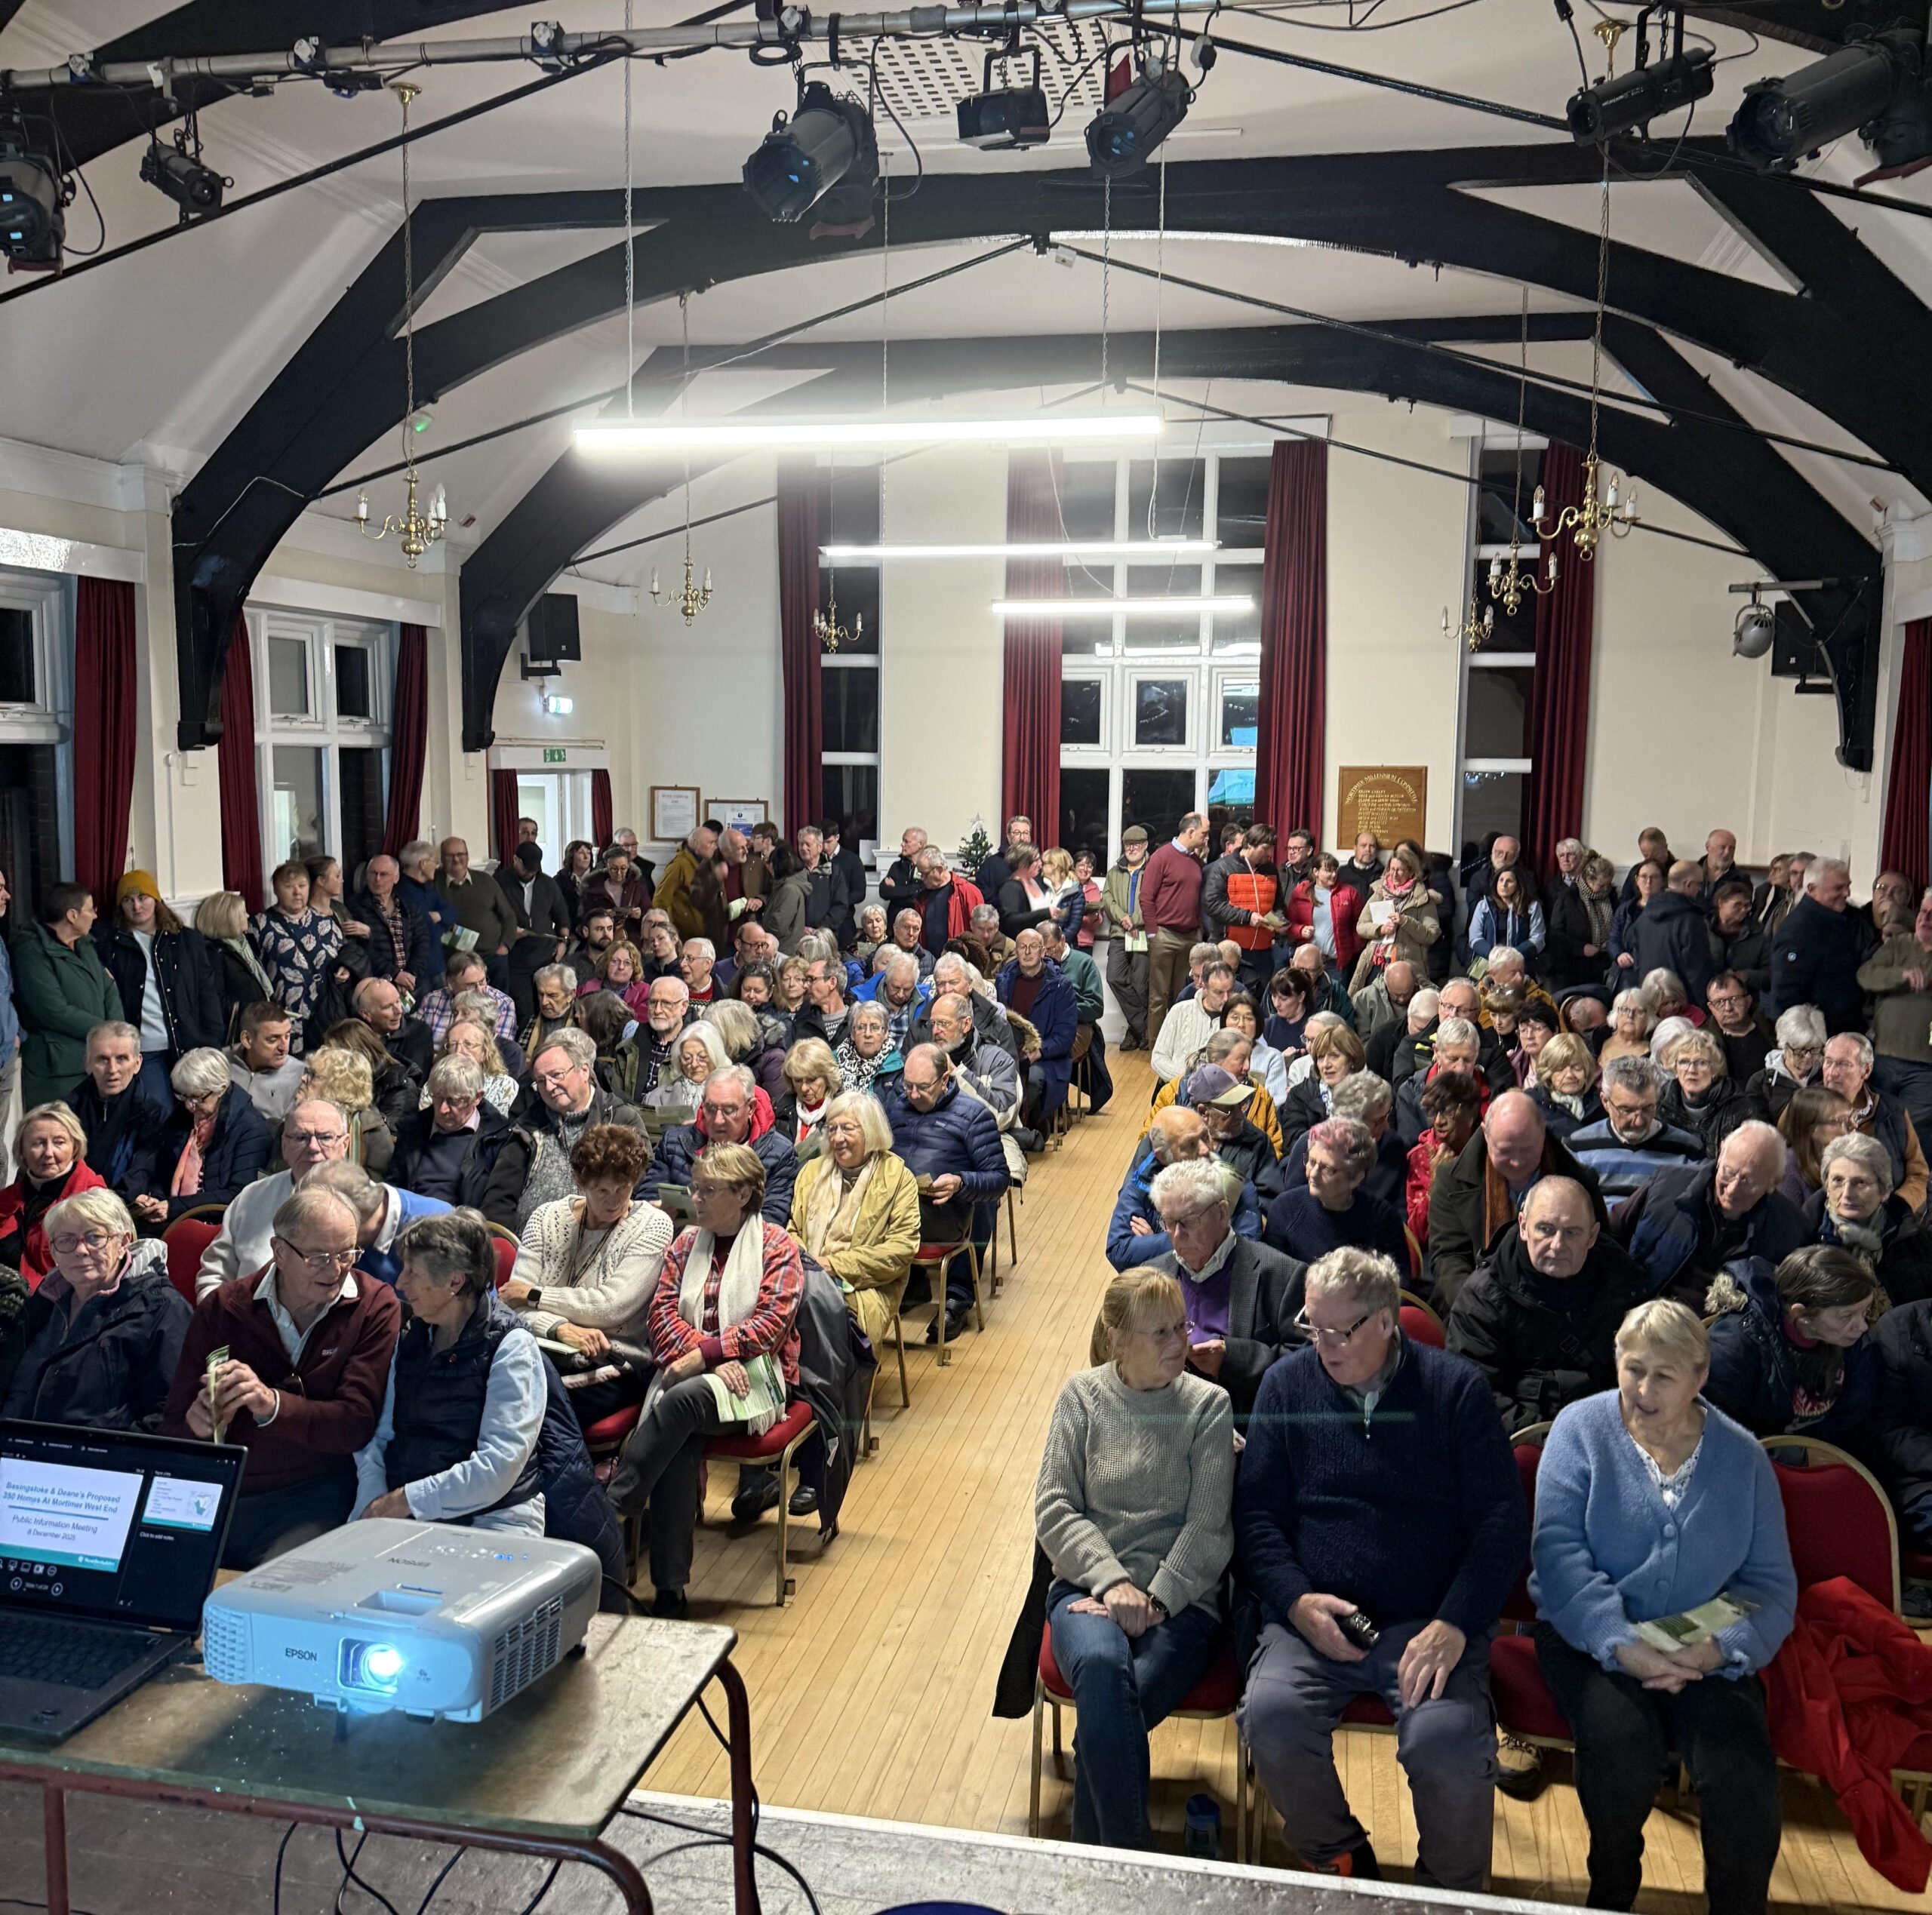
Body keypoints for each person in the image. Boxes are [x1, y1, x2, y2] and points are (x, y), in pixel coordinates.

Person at [1236, 1246, 1527, 1889]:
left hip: (1428, 1622)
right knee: (1271, 1715)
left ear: (1387, 1323)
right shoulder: (1287, 1386)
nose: (1324, 1346)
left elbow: (1502, 1525)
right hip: (1315, 1617)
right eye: (1313, 1326)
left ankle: (1451, 1896)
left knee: (1447, 1747)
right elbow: (1256, 1516)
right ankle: (1341, 1857)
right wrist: (1294, 1602)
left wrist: (1456, 1623)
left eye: (1341, 1331)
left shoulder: (1454, 1391)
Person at [1034, 1266, 1235, 1848]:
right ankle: (1134, 1865)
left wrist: (1154, 1599)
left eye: (1183, 1327)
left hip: (1182, 1604)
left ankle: (1106, 1873)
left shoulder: (1208, 1406)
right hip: (1087, 1595)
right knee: (1101, 1673)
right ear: (1118, 1339)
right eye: (1161, 1334)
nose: (1183, 1344)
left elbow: (1208, 1527)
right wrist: (1112, 1583)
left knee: (1106, 1721)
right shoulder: (1082, 1397)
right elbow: (1054, 1508)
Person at [606, 1142, 804, 1615]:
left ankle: (616, 1503)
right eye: (695, 1188)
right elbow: (660, 1319)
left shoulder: (777, 1246)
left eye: (708, 1190)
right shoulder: (683, 1245)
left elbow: (769, 1327)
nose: (694, 1199)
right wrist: (710, 1360)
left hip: (759, 1380)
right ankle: (670, 1591)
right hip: (706, 1380)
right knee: (682, 1435)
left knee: (681, 1402)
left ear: (742, 1194)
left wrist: (705, 1356)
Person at [163, 1185, 402, 1567]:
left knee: (278, 1587)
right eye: (320, 1257)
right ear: (279, 1251)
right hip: (224, 1489)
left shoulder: (374, 1305)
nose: (337, 1270)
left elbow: (354, 1424)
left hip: (313, 1493)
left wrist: (270, 1404)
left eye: (348, 1254)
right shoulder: (225, 1308)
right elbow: (173, 1426)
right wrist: (196, 1424)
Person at [352, 1210, 551, 1535]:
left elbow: (498, 1468)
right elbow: (381, 1437)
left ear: (454, 1282)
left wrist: (405, 1500)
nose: (399, 1283)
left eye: (412, 1272)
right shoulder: (411, 1337)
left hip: (494, 1516)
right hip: (410, 1509)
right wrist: (371, 1507)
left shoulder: (512, 1348)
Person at [1447, 1176, 1651, 1432]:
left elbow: (1650, 1366)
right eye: (1545, 1229)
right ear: (1523, 1226)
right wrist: (1550, 1440)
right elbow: (1475, 1395)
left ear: (1592, 1236)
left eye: (1571, 1232)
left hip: (1614, 1428)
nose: (1557, 1245)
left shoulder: (1623, 1282)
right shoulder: (1482, 1299)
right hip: (1526, 1441)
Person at [503, 1123, 669, 1425]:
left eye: (623, 1189)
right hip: (542, 1349)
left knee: (524, 1399)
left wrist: (534, 1294)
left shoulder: (652, 1225)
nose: (614, 1201)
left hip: (615, 1362)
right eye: (602, 1190)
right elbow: (511, 1306)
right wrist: (559, 1328)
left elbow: (609, 1307)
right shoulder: (546, 1217)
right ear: (579, 1181)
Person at [0, 1187, 188, 1430]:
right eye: (66, 1240)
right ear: (54, 1251)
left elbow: (167, 1414)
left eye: (94, 1237)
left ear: (123, 1242)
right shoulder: (46, 1298)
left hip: (91, 1458)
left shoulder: (162, 1309)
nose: (80, 1250)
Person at [1145, 1157, 1306, 1424]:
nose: (1176, 1235)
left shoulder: (1282, 1274)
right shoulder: (1153, 1274)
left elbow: (1304, 1364)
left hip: (1244, 1424)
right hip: (1165, 1424)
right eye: (1168, 1223)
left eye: (1188, 1221)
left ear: (1222, 1213)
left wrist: (1231, 1359)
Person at [1428, 1089, 1604, 1308]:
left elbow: (1599, 1249)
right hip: (1478, 1305)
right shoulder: (1452, 1181)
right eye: (1505, 1151)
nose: (1518, 1162)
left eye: (1528, 1150)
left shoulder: (1579, 1181)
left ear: (1543, 1133)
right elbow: (1450, 1258)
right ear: (1486, 1134)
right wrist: (1479, 1308)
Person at [1611, 1120, 1807, 1308]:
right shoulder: (1666, 1186)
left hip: (1724, 1333)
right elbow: (1611, 1233)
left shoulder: (1790, 1231)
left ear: (1774, 1183)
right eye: (1728, 1173)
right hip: (1646, 1309)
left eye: (1748, 1182)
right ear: (1721, 1154)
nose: (1732, 1190)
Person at [884, 1045, 1008, 1341]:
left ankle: (958, 1294)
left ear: (944, 1080)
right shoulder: (895, 1106)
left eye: (922, 1087)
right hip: (894, 1208)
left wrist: (961, 1182)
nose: (912, 1094)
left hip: (943, 1213)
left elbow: (999, 1179)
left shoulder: (974, 1116)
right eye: (908, 1085)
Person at [1704, 1243, 1880, 1443]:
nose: (1862, 1326)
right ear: (1801, 1314)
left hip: (1820, 1454)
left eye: (1864, 1312)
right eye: (1846, 1316)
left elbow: (1852, 1415)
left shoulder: (1848, 1340)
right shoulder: (1735, 1346)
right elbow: (1715, 1429)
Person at [789, 1090, 921, 1349]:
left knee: (825, 1311)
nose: (838, 1138)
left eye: (847, 1129)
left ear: (870, 1131)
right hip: (805, 1276)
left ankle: (836, 1385)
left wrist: (833, 1266)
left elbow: (902, 1249)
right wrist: (808, 1265)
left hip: (866, 1287)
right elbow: (793, 1229)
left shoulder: (898, 1178)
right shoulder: (812, 1172)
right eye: (832, 1128)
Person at [194, 1096, 352, 1296]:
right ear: (284, 1147)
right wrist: (224, 1319)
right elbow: (214, 1276)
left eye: (325, 1138)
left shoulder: (372, 1206)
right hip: (243, 1321)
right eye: (300, 1137)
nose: (313, 1147)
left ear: (345, 1145)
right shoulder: (252, 1197)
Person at [91, 871, 223, 1108]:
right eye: (128, 900)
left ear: (156, 900)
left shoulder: (187, 940)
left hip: (187, 1043)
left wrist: (211, 1041)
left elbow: (207, 993)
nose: (136, 906)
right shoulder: (110, 944)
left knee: (197, 1112)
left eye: (143, 898)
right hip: (143, 1049)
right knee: (157, 1113)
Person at [138, 1046, 275, 1229]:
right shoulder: (183, 1117)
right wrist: (154, 1198)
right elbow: (163, 1169)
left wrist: (174, 1207)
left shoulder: (252, 1129)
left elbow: (239, 1194)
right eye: (183, 1097)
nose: (189, 1106)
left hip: (218, 1225)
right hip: (175, 1216)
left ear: (221, 1089)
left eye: (198, 1098)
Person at [13, 881, 122, 1110]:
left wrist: (116, 1032)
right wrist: (105, 1032)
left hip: (97, 1062)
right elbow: (52, 1010)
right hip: (57, 1070)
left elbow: (109, 986)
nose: (95, 915)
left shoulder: (85, 944)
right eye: (90, 909)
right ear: (72, 915)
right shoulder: (31, 950)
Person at [643, 1062, 797, 1225]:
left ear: (750, 1108)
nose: (717, 1120)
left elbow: (772, 1220)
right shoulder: (674, 1143)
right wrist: (658, 1213)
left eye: (729, 1110)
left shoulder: (779, 1154)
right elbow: (647, 1197)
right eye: (710, 1108)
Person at [1803, 1130, 1932, 1305]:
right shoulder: (1803, 1242)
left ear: (1885, 1190)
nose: (1847, 1194)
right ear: (1826, 1186)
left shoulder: (1913, 1241)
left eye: (1860, 1183)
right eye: (1838, 1181)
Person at [1264, 1117, 1407, 1269]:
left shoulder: (1384, 1219)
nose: (1313, 1174)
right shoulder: (1285, 1210)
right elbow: (1272, 1281)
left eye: (1327, 1169)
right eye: (1311, 1161)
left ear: (1356, 1177)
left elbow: (1398, 1286)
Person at [1567, 1056, 1706, 1200]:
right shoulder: (1577, 1149)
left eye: (1647, 1108)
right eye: (1626, 1110)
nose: (1638, 1122)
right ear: (1606, 1102)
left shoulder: (1689, 1151)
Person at [1821, 1028, 1927, 1213]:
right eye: (1828, 1062)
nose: (1831, 1073)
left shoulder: (1893, 1110)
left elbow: (1919, 1174)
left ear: (1866, 1070)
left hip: (1888, 1217)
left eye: (1843, 1065)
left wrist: (1899, 1207)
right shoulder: (1804, 1108)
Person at [389, 1055, 515, 1209]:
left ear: (477, 1097)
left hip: (459, 1225)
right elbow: (393, 1186)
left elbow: (496, 1205)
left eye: (453, 1101)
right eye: (438, 1098)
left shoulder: (498, 1138)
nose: (442, 1109)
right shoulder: (413, 1127)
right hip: (409, 1217)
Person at [68, 1021, 174, 1203]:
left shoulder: (154, 1116)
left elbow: (142, 1174)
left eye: (122, 1059)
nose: (112, 1070)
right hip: (71, 1205)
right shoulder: (67, 1110)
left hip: (124, 1208)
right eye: (102, 1059)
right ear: (87, 1063)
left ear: (137, 1063)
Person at [1860, 884, 1932, 1146]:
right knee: (1877, 1126)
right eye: (1924, 912)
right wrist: (1900, 975)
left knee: (1912, 1136)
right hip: (1884, 1056)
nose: (1926, 919)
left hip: (1925, 1066)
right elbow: (1866, 976)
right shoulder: (1900, 945)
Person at [0, 1104, 103, 1286]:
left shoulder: (95, 1203)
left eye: (59, 1142)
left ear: (75, 1147)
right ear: (22, 1152)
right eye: (38, 1143)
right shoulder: (10, 1197)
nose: (48, 1153)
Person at [248, 861, 343, 1053]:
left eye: (302, 886)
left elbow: (345, 954)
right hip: (287, 1019)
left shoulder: (325, 922)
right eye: (289, 887)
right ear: (276, 890)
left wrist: (346, 969)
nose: (297, 892)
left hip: (328, 1012)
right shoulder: (260, 925)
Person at [1767, 858, 1865, 1034]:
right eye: (1838, 888)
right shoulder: (1798, 930)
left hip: (1842, 1030)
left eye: (1847, 886)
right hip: (1816, 1036)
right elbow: (1787, 992)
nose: (1847, 893)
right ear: (1812, 889)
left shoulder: (1844, 919)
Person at [1141, 812, 1211, 1051]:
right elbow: (1146, 897)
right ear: (1190, 832)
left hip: (1191, 936)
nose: (1206, 838)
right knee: (1159, 996)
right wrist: (1153, 933)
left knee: (1186, 996)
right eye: (1204, 834)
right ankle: (1157, 1047)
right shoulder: (1161, 857)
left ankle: (1182, 1045)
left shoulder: (1196, 861)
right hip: (1165, 935)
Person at [996, 927, 1078, 1132]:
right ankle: (1006, 1129)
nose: (1027, 952)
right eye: (1022, 947)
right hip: (1009, 1051)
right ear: (1015, 951)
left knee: (1032, 1082)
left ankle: (1030, 1126)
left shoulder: (1060, 986)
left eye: (1033, 947)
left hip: (1046, 1057)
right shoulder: (1004, 981)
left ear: (1043, 951)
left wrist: (1038, 1052)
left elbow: (1066, 1035)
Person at [1405, 1068, 1483, 1250]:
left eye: (1448, 1111)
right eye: (1433, 1111)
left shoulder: (1488, 1152)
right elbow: (1417, 1236)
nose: (1439, 1121)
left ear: (1471, 1113)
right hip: (1439, 1253)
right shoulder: (1420, 1157)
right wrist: (1436, 1183)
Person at [497, 841, 574, 1025]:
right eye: (526, 869)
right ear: (515, 860)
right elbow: (490, 918)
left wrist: (563, 942)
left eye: (534, 869)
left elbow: (562, 915)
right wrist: (508, 932)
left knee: (550, 1006)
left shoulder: (547, 884)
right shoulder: (499, 882)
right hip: (516, 958)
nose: (530, 873)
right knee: (524, 1010)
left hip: (545, 955)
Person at [1350, 843, 1440, 992]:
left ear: (1411, 872)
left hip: (1406, 967)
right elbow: (1361, 925)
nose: (1394, 874)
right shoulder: (1380, 892)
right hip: (1375, 964)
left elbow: (1431, 935)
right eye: (1392, 869)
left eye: (1400, 870)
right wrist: (1380, 929)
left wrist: (1406, 921)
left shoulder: (1423, 898)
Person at [1656, 1027, 1759, 1156]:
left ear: (1714, 1070)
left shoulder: (1740, 1108)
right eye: (1684, 1062)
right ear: (1675, 1069)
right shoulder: (1660, 1103)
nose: (1692, 1070)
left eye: (1701, 1063)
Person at [432, 836, 518, 991]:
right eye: (450, 856)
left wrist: (505, 946)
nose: (456, 859)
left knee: (498, 1006)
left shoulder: (486, 881)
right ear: (441, 859)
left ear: (467, 856)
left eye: (461, 854)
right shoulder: (433, 884)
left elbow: (509, 916)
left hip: (493, 957)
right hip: (455, 963)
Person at [195, 890, 282, 1041]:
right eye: (243, 913)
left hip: (257, 1026)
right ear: (228, 919)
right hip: (239, 1033)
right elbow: (216, 1000)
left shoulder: (245, 943)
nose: (248, 916)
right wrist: (253, 1012)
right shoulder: (214, 954)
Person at [1100, 825, 1154, 1051]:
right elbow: (1107, 898)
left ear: (1145, 846)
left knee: (1141, 986)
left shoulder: (1153, 870)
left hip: (1143, 933)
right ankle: (1144, 1028)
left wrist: (1135, 920)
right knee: (1114, 977)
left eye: (1136, 844)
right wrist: (1123, 918)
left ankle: (1135, 1032)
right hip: (1119, 934)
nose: (1131, 849)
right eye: (1128, 845)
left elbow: (1156, 899)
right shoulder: (1114, 872)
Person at [417, 948, 519, 1050]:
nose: (479, 990)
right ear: (451, 984)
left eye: (482, 982)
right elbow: (415, 1041)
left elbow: (499, 1052)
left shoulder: (503, 1004)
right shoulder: (431, 1001)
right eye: (471, 985)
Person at [1543, 846, 1616, 991]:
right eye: (1602, 885)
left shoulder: (1611, 897)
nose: (1605, 889)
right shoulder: (1567, 897)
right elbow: (1555, 935)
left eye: (1608, 884)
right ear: (1589, 880)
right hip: (1571, 969)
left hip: (1599, 966)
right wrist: (1580, 948)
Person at [225, 1000, 306, 1125]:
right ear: (247, 1040)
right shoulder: (221, 1063)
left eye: (287, 1036)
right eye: (273, 1039)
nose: (284, 1048)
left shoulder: (301, 1076)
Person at [1776, 1083, 1854, 1206]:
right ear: (1812, 1129)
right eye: (1840, 1121)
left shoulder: (1845, 1156)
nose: (1852, 1126)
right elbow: (1790, 1223)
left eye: (1849, 1119)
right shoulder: (1788, 1170)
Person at [1746, 1002, 1826, 1119]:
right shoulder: (1761, 1083)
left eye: (1814, 1049)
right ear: (1784, 1046)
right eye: (1801, 1050)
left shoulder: (1827, 1074)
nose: (1808, 1056)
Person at [352, 976, 435, 1080]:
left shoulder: (419, 1034)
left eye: (398, 1001)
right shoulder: (349, 1037)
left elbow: (414, 1083)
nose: (399, 1011)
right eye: (388, 1007)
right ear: (366, 1014)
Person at [1527, 1031, 1601, 1141]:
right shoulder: (1531, 1103)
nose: (1570, 1075)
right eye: (1561, 1068)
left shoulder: (1602, 1103)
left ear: (1587, 1069)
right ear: (1548, 1071)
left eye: (1577, 1067)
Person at [654, 824, 721, 943]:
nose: (715, 847)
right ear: (696, 843)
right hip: (683, 937)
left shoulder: (706, 864)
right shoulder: (679, 865)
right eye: (711, 843)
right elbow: (661, 900)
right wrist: (665, 933)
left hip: (704, 934)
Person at [773, 1037, 841, 1154]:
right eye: (798, 1080)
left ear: (827, 1077)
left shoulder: (843, 1111)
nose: (804, 1088)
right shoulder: (777, 1108)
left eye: (811, 1080)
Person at [1469, 864, 1545, 967]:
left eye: (1509, 881)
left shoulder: (1532, 906)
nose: (1504, 885)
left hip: (1519, 966)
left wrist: (1512, 956)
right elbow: (1475, 938)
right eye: (1501, 880)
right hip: (1487, 964)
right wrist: (1494, 955)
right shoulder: (1484, 905)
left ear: (1518, 884)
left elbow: (1538, 939)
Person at [396, 840, 459, 950]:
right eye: (435, 862)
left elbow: (452, 911)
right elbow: (427, 930)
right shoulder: (405, 892)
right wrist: (446, 925)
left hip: (436, 952)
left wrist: (439, 916)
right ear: (423, 864)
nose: (437, 866)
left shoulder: (428, 887)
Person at [835, 999, 903, 1097]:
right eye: (861, 1027)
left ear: (885, 1033)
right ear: (853, 1034)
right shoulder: (833, 1062)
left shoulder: (898, 1068)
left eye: (875, 1028)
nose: (868, 1034)